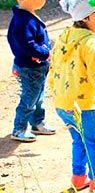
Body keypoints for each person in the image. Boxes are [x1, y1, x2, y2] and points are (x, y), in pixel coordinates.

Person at [47, 0, 95, 192]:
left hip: (63, 103)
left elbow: (53, 66)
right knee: (93, 141)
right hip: (84, 105)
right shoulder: (91, 43)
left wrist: (54, 91)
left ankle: (78, 178)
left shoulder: (64, 36)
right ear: (86, 17)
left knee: (78, 139)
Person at [7, 0, 56, 142]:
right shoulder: (22, 20)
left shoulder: (28, 15)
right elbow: (26, 45)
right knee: (29, 99)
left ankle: (37, 123)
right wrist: (44, 53)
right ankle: (19, 129)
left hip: (38, 67)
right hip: (29, 68)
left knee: (38, 97)